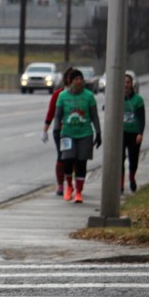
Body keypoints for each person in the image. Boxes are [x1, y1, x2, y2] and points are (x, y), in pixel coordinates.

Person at [53, 69, 102, 203]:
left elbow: (94, 116)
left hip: (85, 133)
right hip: (67, 133)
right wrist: (56, 129)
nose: (79, 81)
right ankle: (69, 186)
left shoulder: (89, 96)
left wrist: (98, 132)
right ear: (70, 81)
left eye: (80, 79)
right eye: (76, 79)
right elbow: (57, 115)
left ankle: (79, 191)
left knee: (81, 162)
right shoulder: (62, 96)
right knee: (67, 160)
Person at [42, 67, 74, 195]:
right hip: (60, 131)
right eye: (73, 78)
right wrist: (45, 130)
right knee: (63, 157)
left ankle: (72, 184)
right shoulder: (58, 94)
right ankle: (61, 185)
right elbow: (51, 113)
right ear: (67, 79)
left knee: (75, 159)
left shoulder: (82, 94)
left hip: (76, 131)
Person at [121, 73, 146, 192]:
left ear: (131, 84)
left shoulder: (138, 100)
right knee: (119, 159)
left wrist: (140, 133)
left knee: (133, 158)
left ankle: (132, 177)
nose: (125, 84)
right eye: (123, 82)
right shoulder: (117, 98)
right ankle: (120, 183)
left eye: (128, 82)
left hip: (134, 133)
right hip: (120, 133)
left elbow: (142, 118)